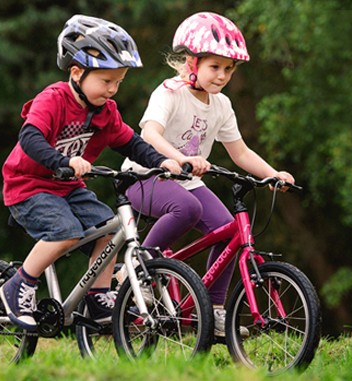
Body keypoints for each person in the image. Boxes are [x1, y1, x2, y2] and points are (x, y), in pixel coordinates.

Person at [1, 15, 182, 331]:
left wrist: (160, 162)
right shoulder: (53, 99)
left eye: (118, 82)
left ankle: (98, 297)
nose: (112, 89)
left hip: (68, 188)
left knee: (109, 229)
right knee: (65, 231)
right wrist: (63, 160)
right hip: (29, 186)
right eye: (106, 81)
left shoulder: (105, 112)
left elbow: (130, 142)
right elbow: (29, 138)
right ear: (76, 72)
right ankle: (19, 286)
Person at [120, 12, 295, 337]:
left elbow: (240, 153)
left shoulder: (221, 105)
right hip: (144, 177)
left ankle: (213, 310)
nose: (223, 75)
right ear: (192, 62)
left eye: (229, 69)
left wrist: (273, 174)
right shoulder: (169, 93)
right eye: (215, 67)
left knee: (229, 230)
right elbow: (150, 136)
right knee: (188, 208)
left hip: (186, 180)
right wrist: (179, 160)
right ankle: (139, 268)